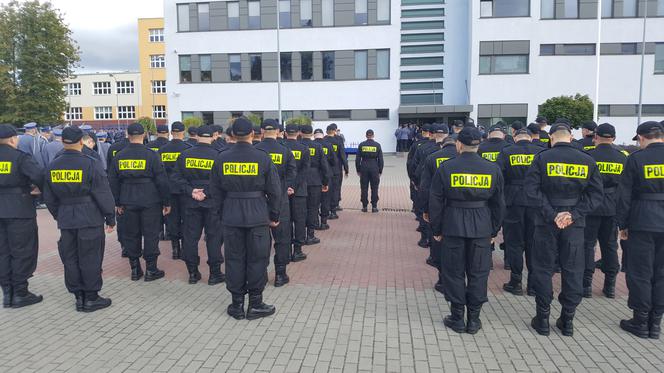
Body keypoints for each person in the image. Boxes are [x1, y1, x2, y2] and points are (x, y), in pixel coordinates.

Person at [524, 120, 603, 337]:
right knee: (573, 270)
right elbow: (596, 195)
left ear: (551, 138)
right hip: (574, 224)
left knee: (542, 268)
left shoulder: (541, 158)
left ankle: (542, 319)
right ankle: (567, 320)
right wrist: (573, 214)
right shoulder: (587, 161)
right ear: (570, 137)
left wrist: (552, 214)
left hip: (545, 222)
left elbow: (531, 191)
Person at [429, 126, 505, 334]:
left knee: (453, 272)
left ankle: (457, 317)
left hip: (453, 224)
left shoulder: (446, 167)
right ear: (479, 145)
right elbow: (499, 204)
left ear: (459, 145)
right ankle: (474, 319)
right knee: (478, 272)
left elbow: (435, 201)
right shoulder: (492, 168)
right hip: (481, 226)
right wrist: (493, 230)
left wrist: (436, 228)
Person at [209, 117, 282, 320]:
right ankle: (255, 304)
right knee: (258, 259)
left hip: (231, 215)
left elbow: (215, 191)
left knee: (234, 259)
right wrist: (274, 215)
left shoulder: (221, 158)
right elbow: (275, 191)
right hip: (258, 214)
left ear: (231, 135)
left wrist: (220, 214)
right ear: (253, 134)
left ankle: (237, 305)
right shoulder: (263, 158)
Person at [42, 127, 116, 312]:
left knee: (71, 257)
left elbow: (49, 197)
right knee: (90, 257)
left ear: (62, 141)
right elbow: (102, 192)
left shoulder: (53, 165)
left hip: (66, 218)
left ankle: (78, 297)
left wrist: (59, 214)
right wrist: (110, 217)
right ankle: (91, 298)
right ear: (81, 141)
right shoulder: (90, 163)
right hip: (90, 216)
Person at [617, 121, 664, 339]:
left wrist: (623, 225)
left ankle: (640, 320)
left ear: (642, 138)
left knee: (641, 273)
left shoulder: (636, 159)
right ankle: (656, 323)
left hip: (642, 220)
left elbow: (624, 196)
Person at [108, 123, 171, 282]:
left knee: (131, 235)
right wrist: (166, 202)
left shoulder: (119, 156)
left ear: (128, 136)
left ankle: (135, 269)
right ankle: (151, 269)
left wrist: (117, 203)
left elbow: (113, 182)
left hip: (127, 199)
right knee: (151, 234)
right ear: (144, 135)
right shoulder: (151, 155)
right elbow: (161, 181)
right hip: (150, 199)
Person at [171, 125, 225, 285]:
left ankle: (193, 273)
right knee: (214, 238)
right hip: (212, 202)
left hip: (190, 201)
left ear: (196, 136)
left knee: (190, 238)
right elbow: (221, 181)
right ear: (213, 136)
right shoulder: (218, 155)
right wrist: (206, 192)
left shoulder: (185, 155)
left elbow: (175, 177)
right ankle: (215, 274)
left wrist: (191, 191)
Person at [0, 124, 44, 309]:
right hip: (19, 209)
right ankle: (20, 292)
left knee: (2, 252)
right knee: (22, 250)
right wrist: (37, 190)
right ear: (12, 139)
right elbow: (40, 176)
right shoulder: (20, 158)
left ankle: (7, 293)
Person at [580, 123, 626, 299]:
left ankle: (586, 286)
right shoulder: (623, 157)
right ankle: (610, 286)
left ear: (595, 137)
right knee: (610, 247)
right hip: (612, 208)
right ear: (613, 138)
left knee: (587, 246)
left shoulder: (588, 156)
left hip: (590, 206)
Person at [497, 123, 544, 296]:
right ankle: (533, 284)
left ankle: (515, 282)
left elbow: (499, 177)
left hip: (513, 201)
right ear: (530, 138)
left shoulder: (507, 151)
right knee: (534, 244)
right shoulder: (540, 152)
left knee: (514, 243)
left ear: (515, 137)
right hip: (536, 202)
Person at [255, 119, 297, 287]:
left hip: (259, 200)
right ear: (279, 131)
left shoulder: (255, 151)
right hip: (280, 199)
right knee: (282, 238)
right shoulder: (285, 151)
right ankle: (280, 274)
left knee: (260, 239)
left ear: (261, 130)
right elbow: (292, 173)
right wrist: (285, 188)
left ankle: (262, 274)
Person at [419, 125, 456, 293]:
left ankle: (442, 279)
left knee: (439, 241)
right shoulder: (480, 164)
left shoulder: (434, 157)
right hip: (469, 213)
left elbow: (424, 187)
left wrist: (424, 210)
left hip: (439, 207)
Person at [158, 121, 191, 259]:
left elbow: (159, 172)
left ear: (171, 133)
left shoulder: (163, 150)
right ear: (184, 132)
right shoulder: (189, 149)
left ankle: (175, 249)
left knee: (172, 220)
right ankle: (184, 248)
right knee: (186, 220)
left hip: (168, 190)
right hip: (184, 190)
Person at [284, 124, 310, 262]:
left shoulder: (282, 148)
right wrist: (293, 186)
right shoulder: (304, 149)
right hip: (299, 191)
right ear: (298, 133)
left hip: (283, 191)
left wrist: (287, 186)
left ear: (285, 132)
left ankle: (286, 251)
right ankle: (298, 251)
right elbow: (304, 171)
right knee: (299, 220)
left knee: (286, 221)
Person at [299, 124, 329, 244]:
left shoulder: (298, 146)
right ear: (311, 134)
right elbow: (324, 166)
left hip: (300, 180)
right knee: (313, 208)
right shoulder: (317, 146)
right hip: (315, 180)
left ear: (300, 133)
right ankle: (310, 235)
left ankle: (300, 235)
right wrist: (325, 182)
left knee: (301, 209)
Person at [356, 129, 384, 213]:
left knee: (364, 188)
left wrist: (358, 169)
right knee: (374, 188)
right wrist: (380, 170)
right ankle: (374, 207)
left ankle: (364, 206)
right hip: (374, 167)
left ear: (366, 135)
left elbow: (357, 159)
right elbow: (381, 159)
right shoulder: (377, 145)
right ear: (373, 135)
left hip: (364, 167)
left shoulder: (362, 145)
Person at [314, 128, 336, 230]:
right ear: (323, 135)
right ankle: (323, 222)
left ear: (314, 135)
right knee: (325, 200)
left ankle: (314, 223)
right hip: (326, 175)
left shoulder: (308, 145)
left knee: (313, 201)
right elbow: (334, 161)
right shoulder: (328, 145)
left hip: (313, 177)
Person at [325, 124, 348, 218]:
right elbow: (343, 155)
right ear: (334, 131)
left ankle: (325, 209)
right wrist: (346, 169)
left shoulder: (323, 141)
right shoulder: (338, 141)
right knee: (335, 189)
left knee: (326, 189)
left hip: (325, 169)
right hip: (336, 169)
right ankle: (333, 210)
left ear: (326, 131)